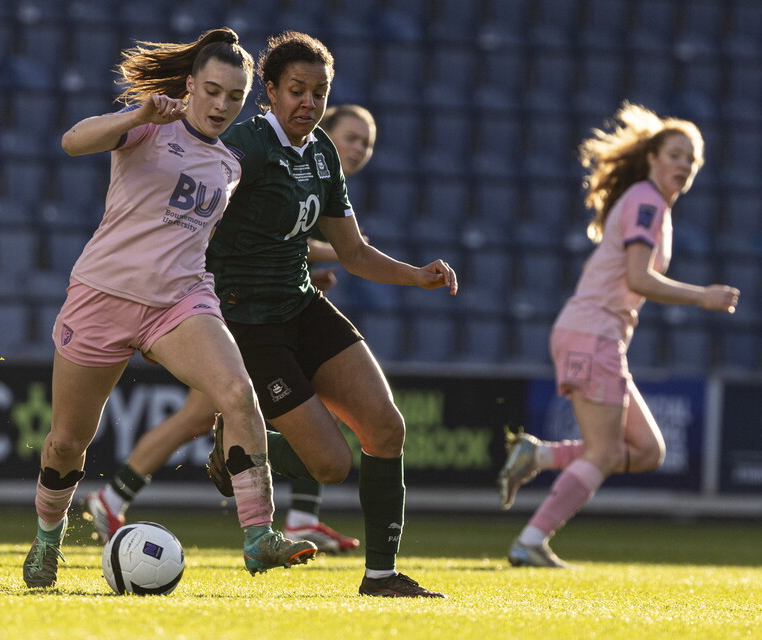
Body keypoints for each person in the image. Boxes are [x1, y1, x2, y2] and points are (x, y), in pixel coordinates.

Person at [22, 28, 317, 589]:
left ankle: (259, 537)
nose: (221, 106)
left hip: (179, 300)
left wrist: (303, 258)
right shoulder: (148, 131)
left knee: (236, 393)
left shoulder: (230, 164)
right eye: (211, 92)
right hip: (103, 297)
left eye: (234, 97)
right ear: (189, 85)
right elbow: (72, 141)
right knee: (66, 440)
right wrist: (134, 116)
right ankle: (46, 541)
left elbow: (243, 235)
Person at [206, 31, 456, 598]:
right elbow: (194, 222)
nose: (309, 104)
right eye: (297, 90)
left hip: (302, 304)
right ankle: (237, 450)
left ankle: (381, 576)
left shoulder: (320, 153)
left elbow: (354, 252)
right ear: (268, 91)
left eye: (319, 93)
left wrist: (416, 274)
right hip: (250, 324)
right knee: (331, 467)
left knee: (387, 428)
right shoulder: (242, 146)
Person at [81, 104, 377, 555]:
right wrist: (335, 254)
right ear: (326, 131)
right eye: (351, 137)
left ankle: (299, 517)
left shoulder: (315, 173)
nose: (359, 148)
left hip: (250, 304)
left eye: (367, 142)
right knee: (211, 415)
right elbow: (236, 230)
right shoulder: (277, 161)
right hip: (229, 305)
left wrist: (304, 268)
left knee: (204, 415)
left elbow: (278, 244)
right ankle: (114, 495)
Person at [497, 102, 740, 568]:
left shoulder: (647, 204)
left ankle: (541, 456)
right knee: (606, 451)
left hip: (593, 333)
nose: (684, 165)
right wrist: (701, 296)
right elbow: (640, 279)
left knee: (648, 451)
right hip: (593, 334)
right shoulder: (647, 202)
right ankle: (530, 540)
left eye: (692, 159)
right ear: (652, 159)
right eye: (675, 154)